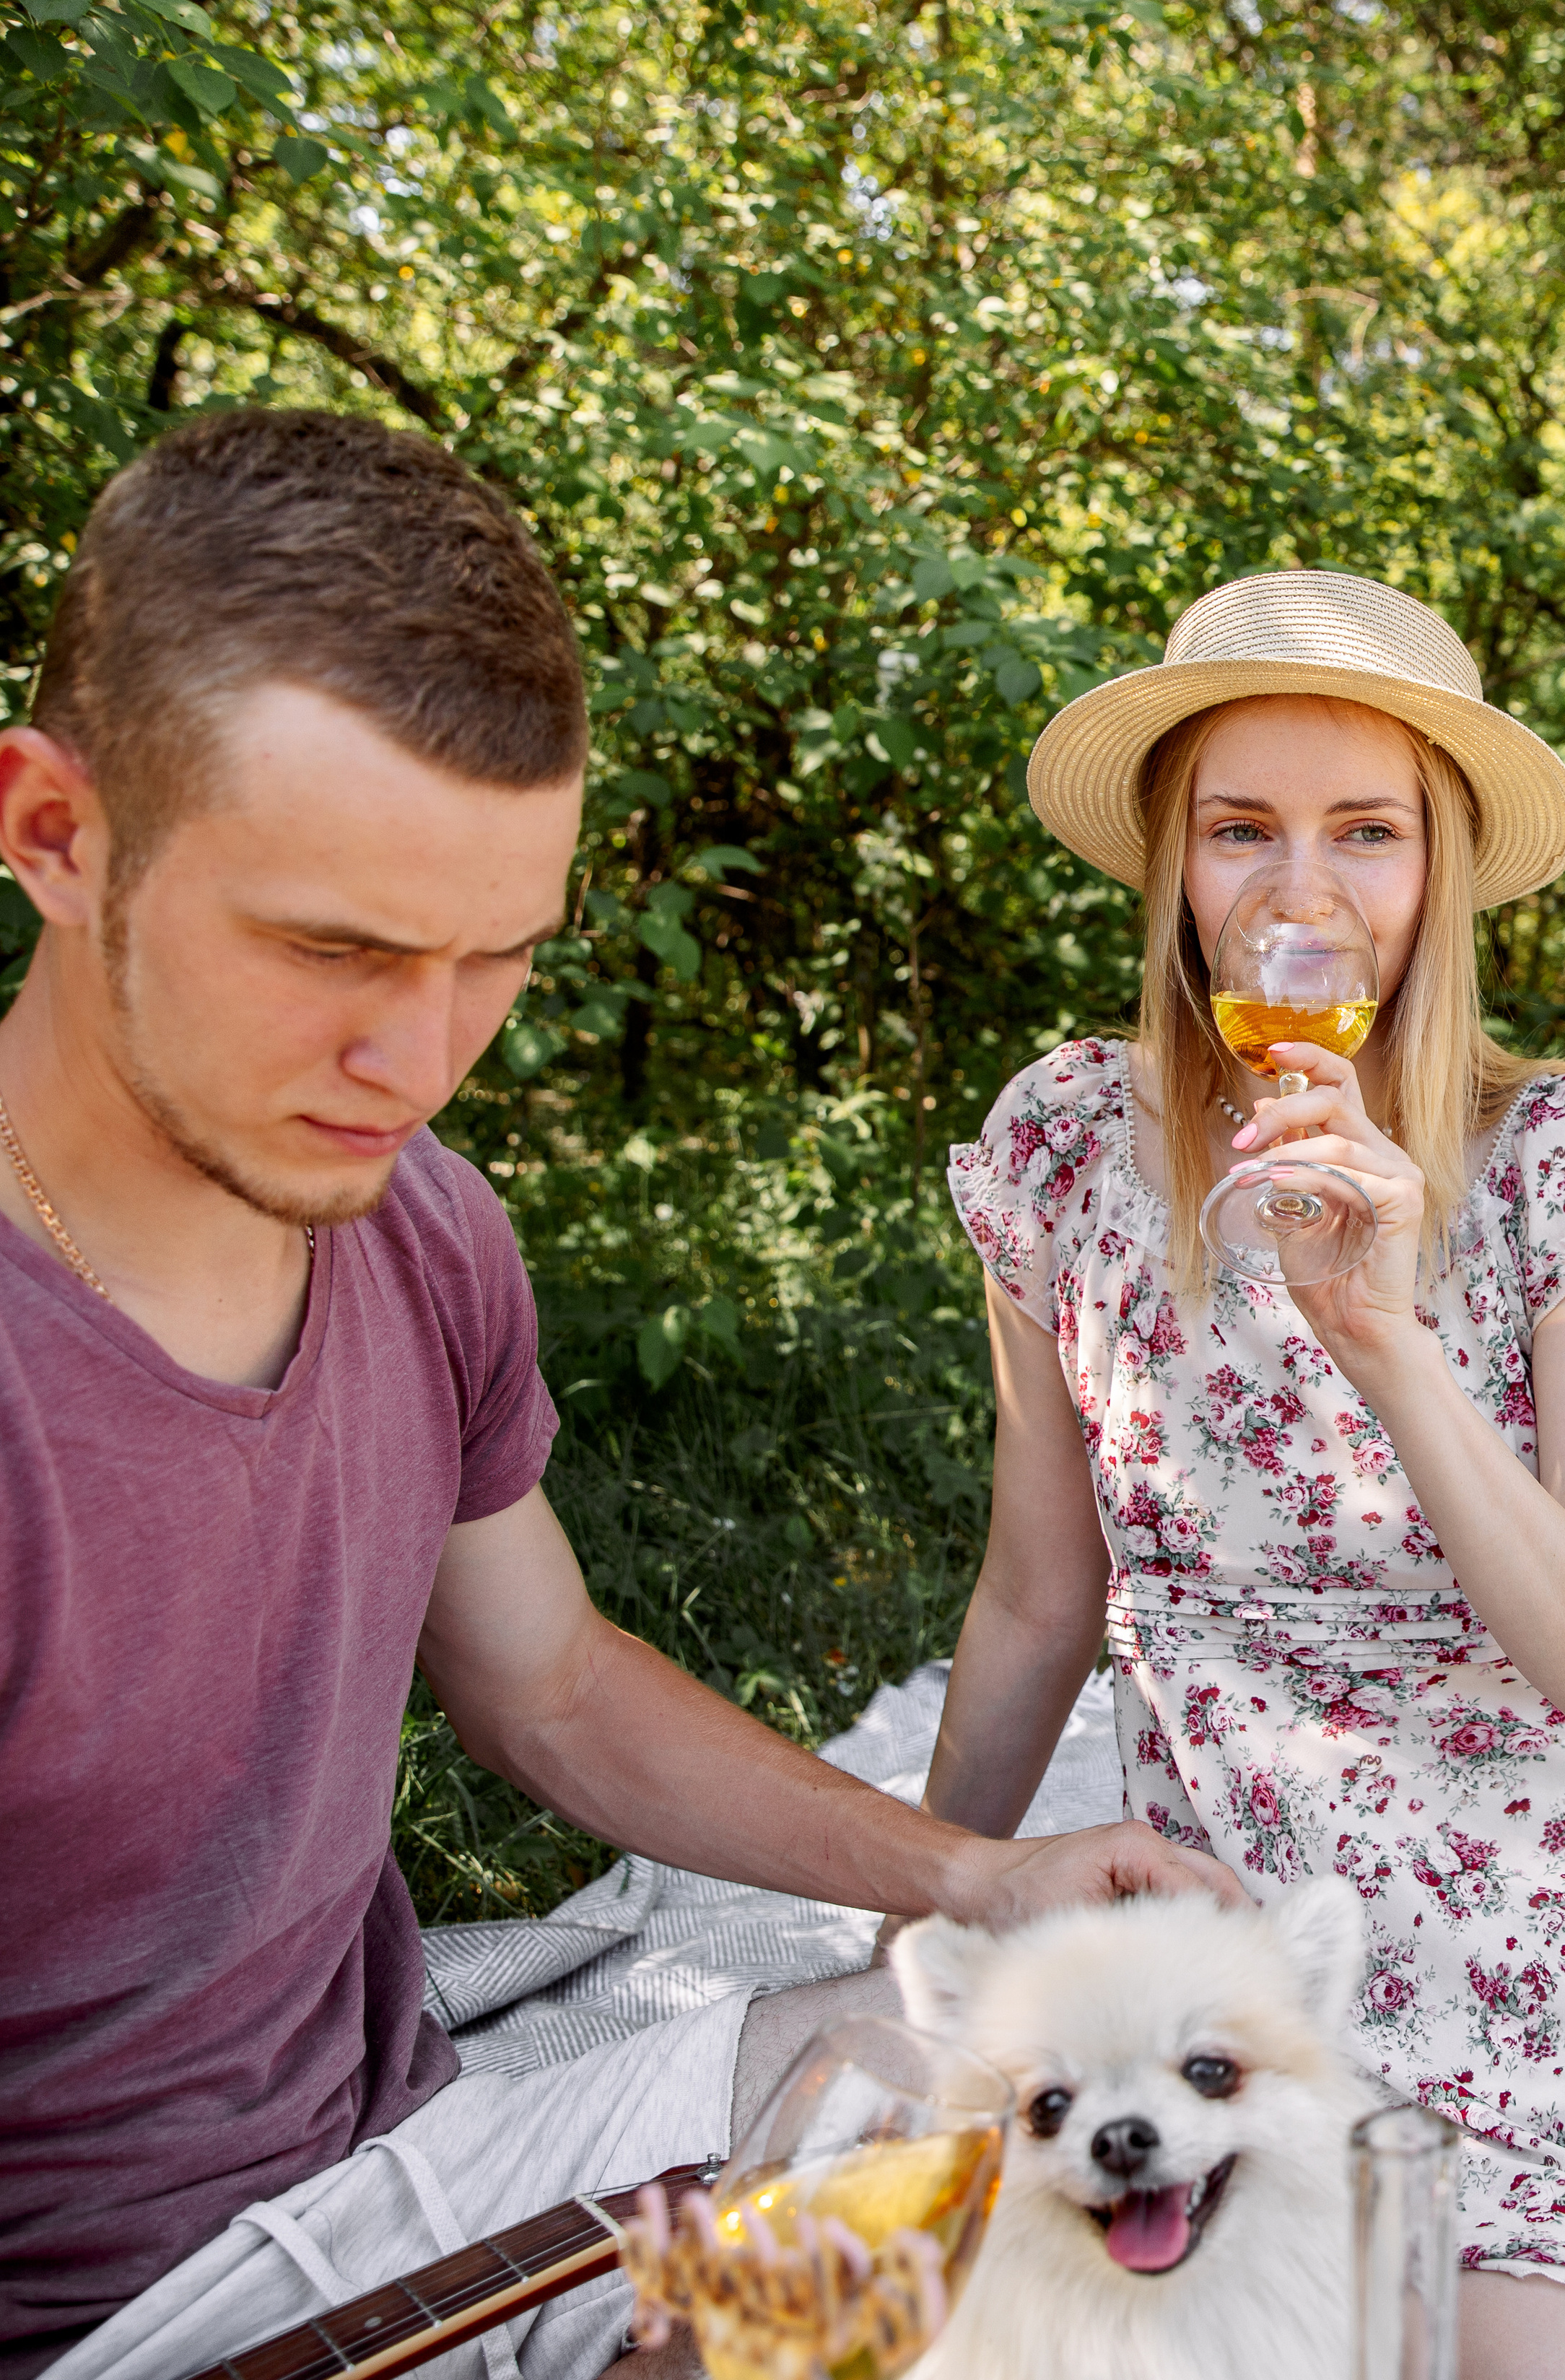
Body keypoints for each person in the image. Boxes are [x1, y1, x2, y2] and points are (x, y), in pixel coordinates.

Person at [0, 409, 1242, 2380]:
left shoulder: (419, 1228)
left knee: (1064, 2149)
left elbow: (552, 1680)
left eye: (497, 956)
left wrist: (977, 1872)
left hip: (427, 2176)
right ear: (58, 834)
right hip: (125, 2326)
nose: (419, 1056)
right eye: (334, 946)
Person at [922, 571, 1565, 2379]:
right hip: (1269, 1950)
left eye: (1366, 832)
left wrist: (1385, 1341)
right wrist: (925, 1899)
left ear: (1436, 872)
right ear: (1168, 868)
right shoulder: (1057, 1149)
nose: (1297, 896)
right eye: (1237, 830)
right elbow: (1038, 1594)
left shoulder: (1559, 1166)